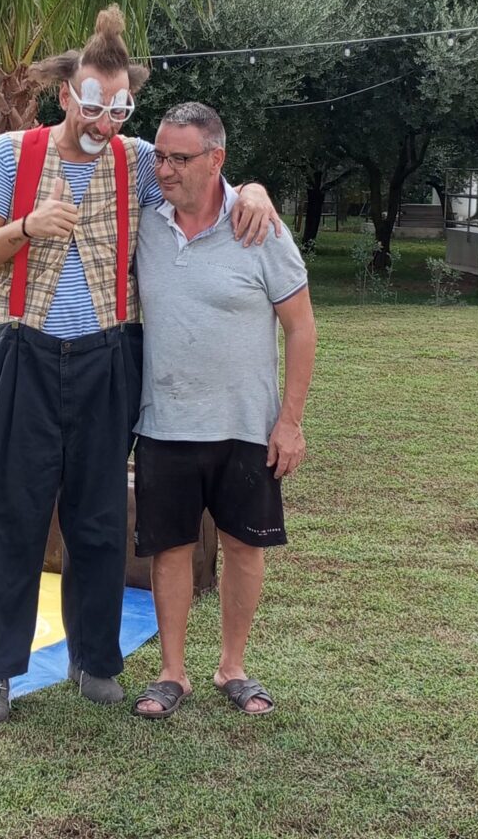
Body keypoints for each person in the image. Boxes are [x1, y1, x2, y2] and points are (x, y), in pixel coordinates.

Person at [0, 7, 279, 724]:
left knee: (100, 517)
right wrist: (25, 227)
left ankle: (95, 659)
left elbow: (206, 184)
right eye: (93, 105)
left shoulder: (138, 160)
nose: (105, 122)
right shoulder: (11, 155)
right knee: (12, 514)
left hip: (109, 355)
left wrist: (253, 191)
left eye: (119, 108)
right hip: (24, 352)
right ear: (68, 94)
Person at [131, 101, 317, 720]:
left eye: (180, 158)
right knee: (170, 548)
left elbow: (301, 328)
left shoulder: (261, 229)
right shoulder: (145, 222)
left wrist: (289, 421)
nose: (164, 169)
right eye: (159, 155)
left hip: (246, 425)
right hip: (164, 421)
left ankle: (232, 667)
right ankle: (172, 673)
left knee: (244, 547)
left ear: (217, 160)